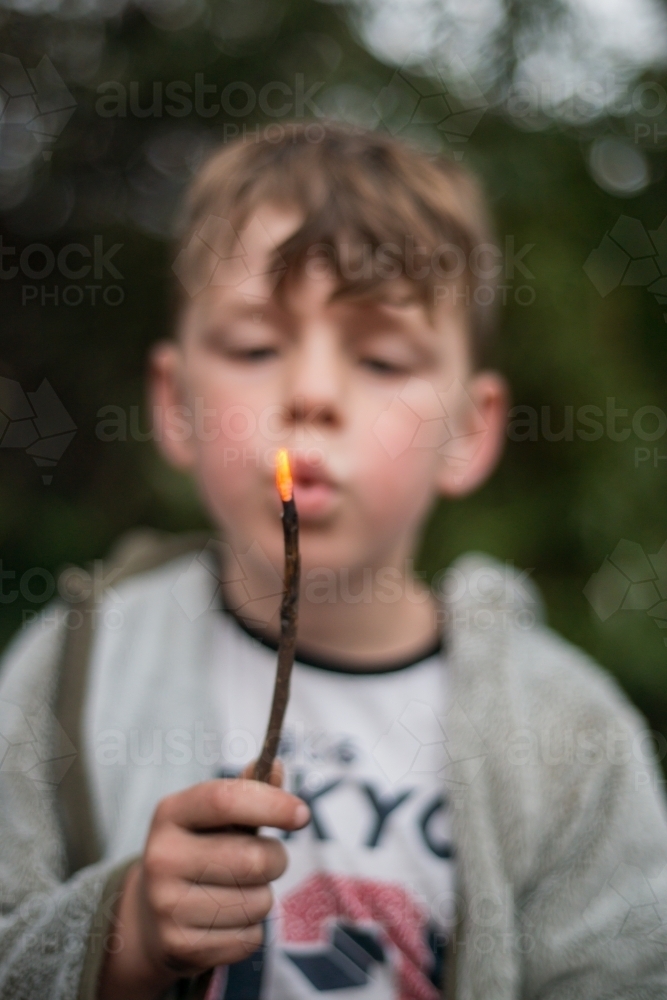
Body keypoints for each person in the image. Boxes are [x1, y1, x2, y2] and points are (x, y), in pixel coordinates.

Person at [1, 123, 666, 1000]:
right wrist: (118, 936)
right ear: (174, 404)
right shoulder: (75, 670)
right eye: (253, 348)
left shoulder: (568, 736)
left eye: (381, 356)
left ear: (467, 431)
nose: (309, 395)